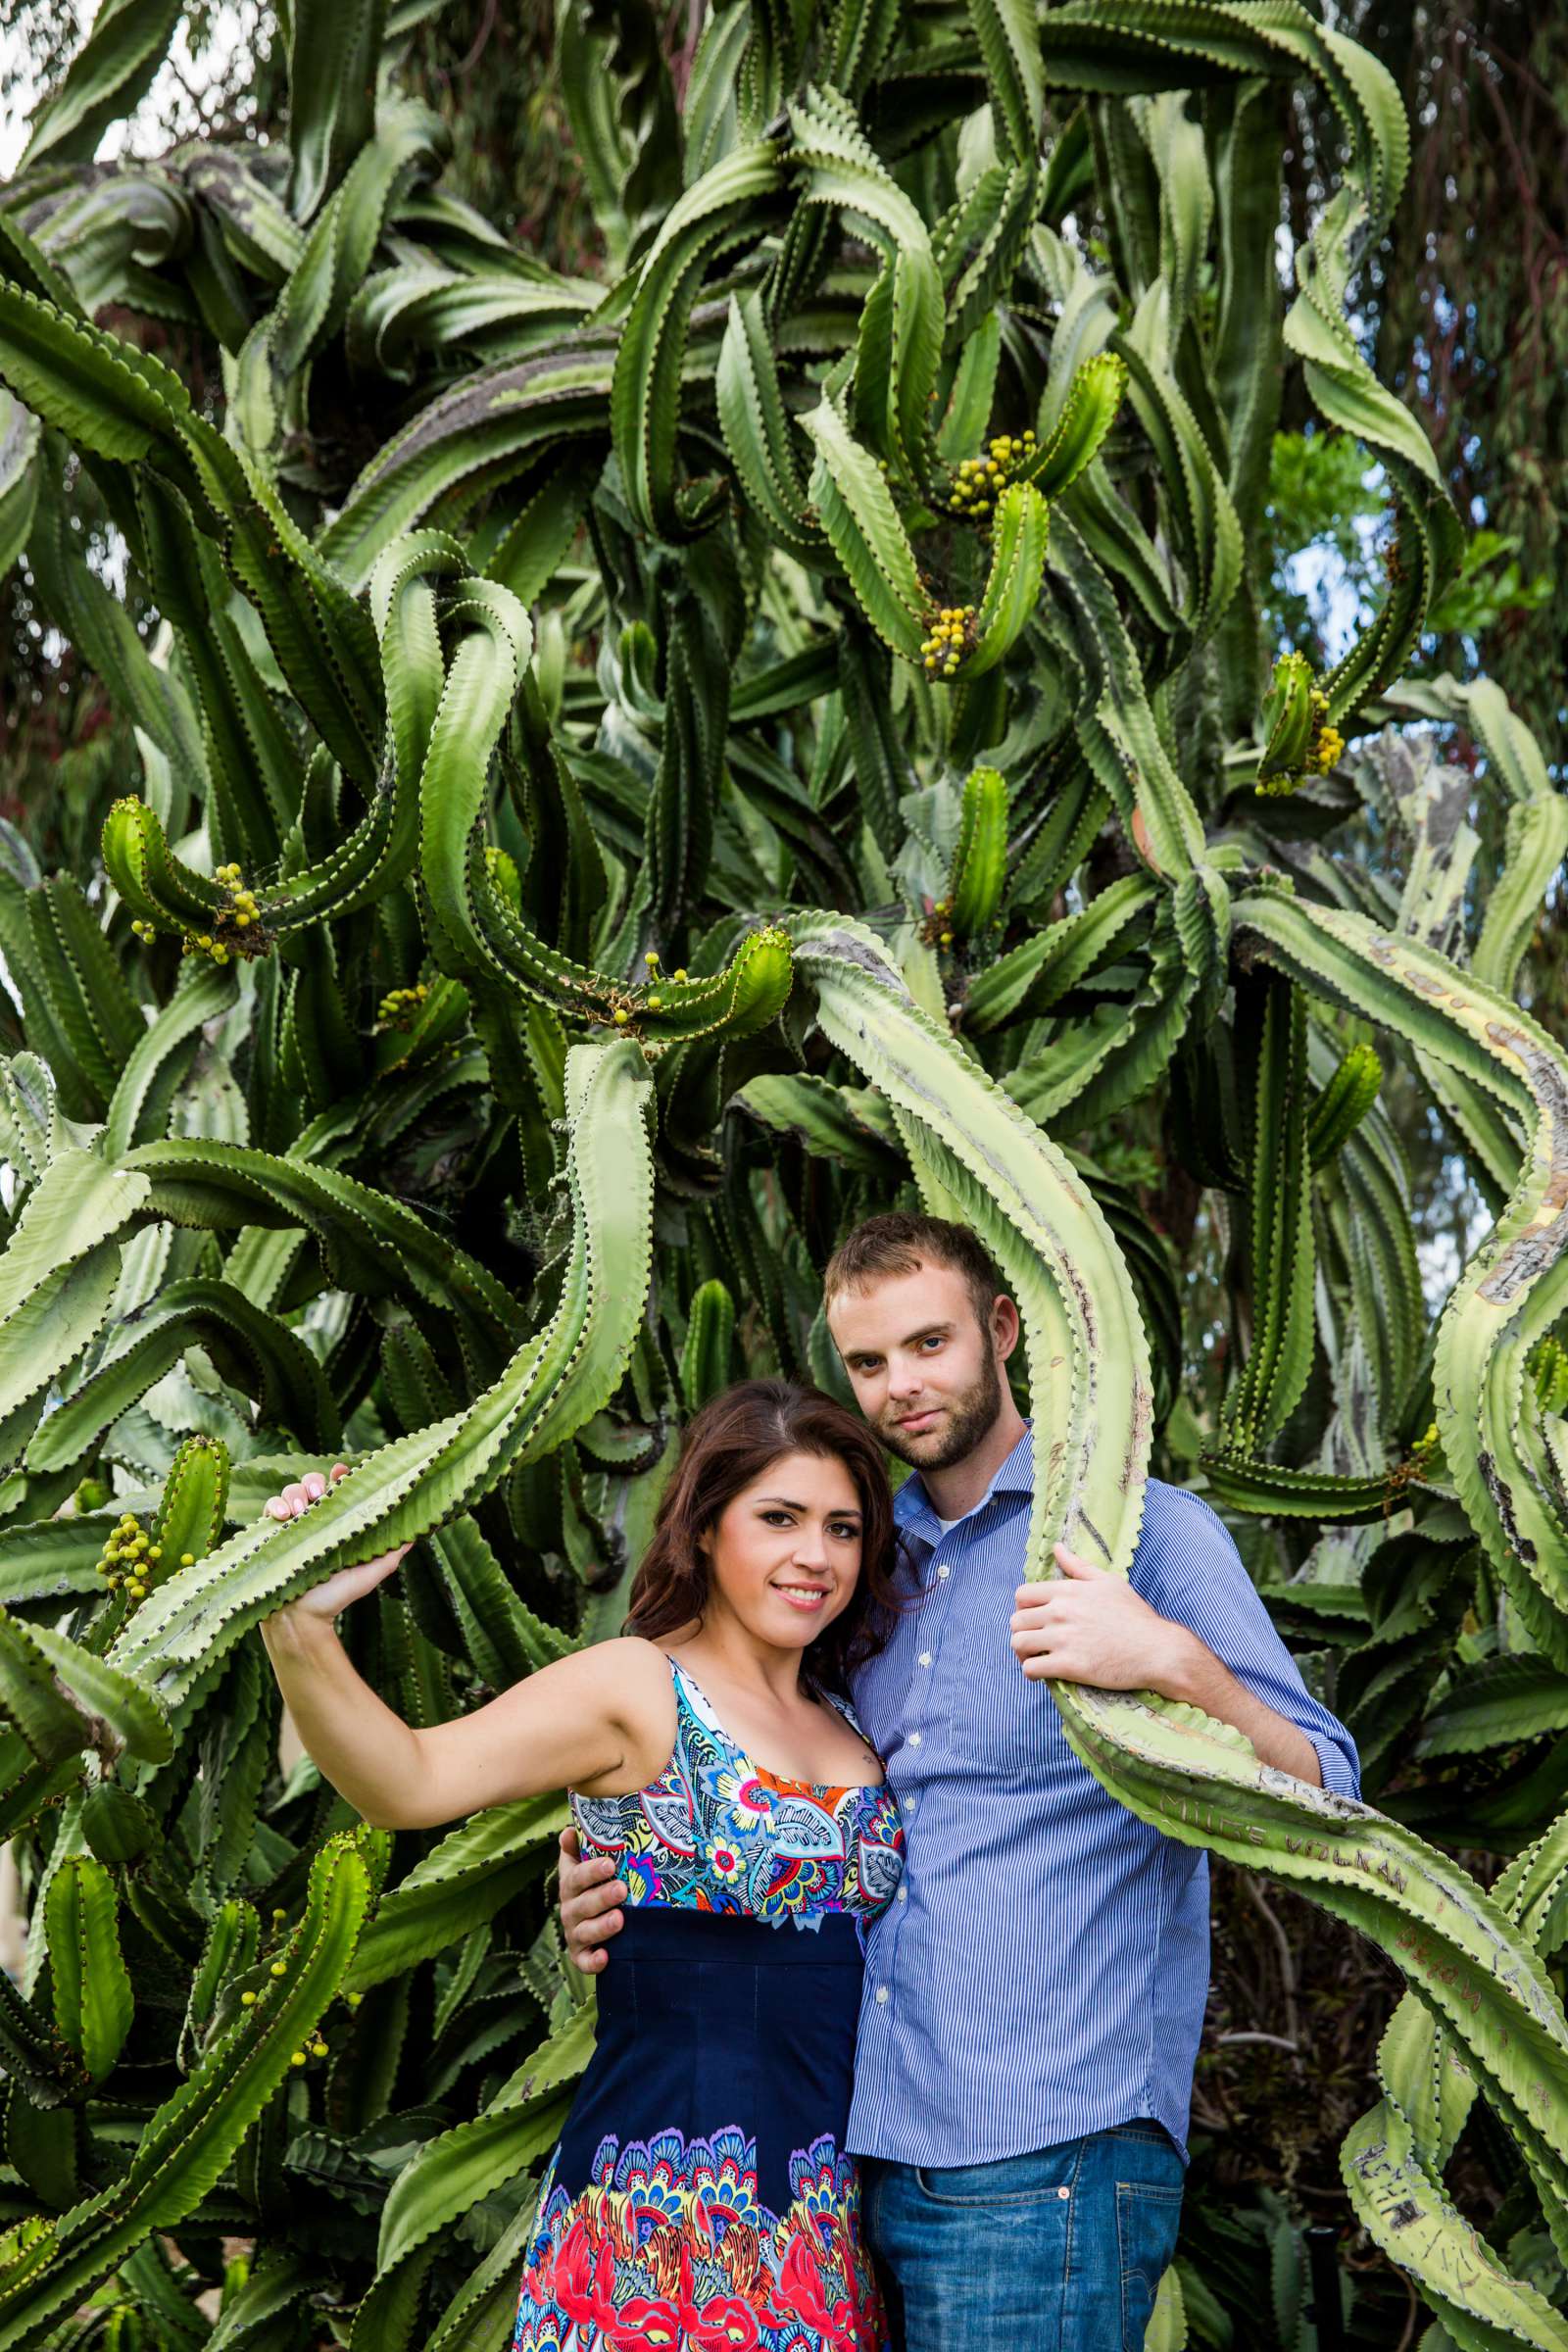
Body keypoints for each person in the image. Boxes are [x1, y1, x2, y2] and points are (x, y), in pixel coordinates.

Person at [562, 1213, 1361, 2351]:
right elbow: (756, 1773)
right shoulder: (859, 1568)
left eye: (929, 1346)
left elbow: (1330, 1794)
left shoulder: (1140, 1538)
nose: (901, 1388)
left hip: (1046, 2159)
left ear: (1000, 1330)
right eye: (870, 1363)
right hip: (847, 2161)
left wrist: (1170, 1663)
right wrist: (608, 1869)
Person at [256, 1378, 906, 2352]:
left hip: (821, 2219)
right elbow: (410, 1779)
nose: (815, 1556)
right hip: (663, 2223)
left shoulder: (848, 1708)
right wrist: (297, 1625)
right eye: (778, 1518)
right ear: (702, 1529)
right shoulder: (638, 1686)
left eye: (843, 1528)